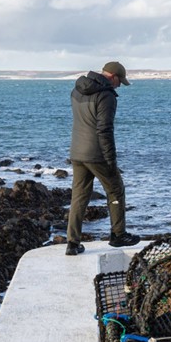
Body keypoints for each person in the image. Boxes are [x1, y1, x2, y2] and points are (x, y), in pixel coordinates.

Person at [66, 61, 141, 255]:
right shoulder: (106, 96)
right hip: (96, 153)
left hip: (77, 152)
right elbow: (104, 130)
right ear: (113, 77)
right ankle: (118, 235)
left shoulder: (77, 91)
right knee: (116, 189)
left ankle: (72, 243)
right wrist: (111, 160)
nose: (119, 86)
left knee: (79, 197)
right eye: (119, 81)